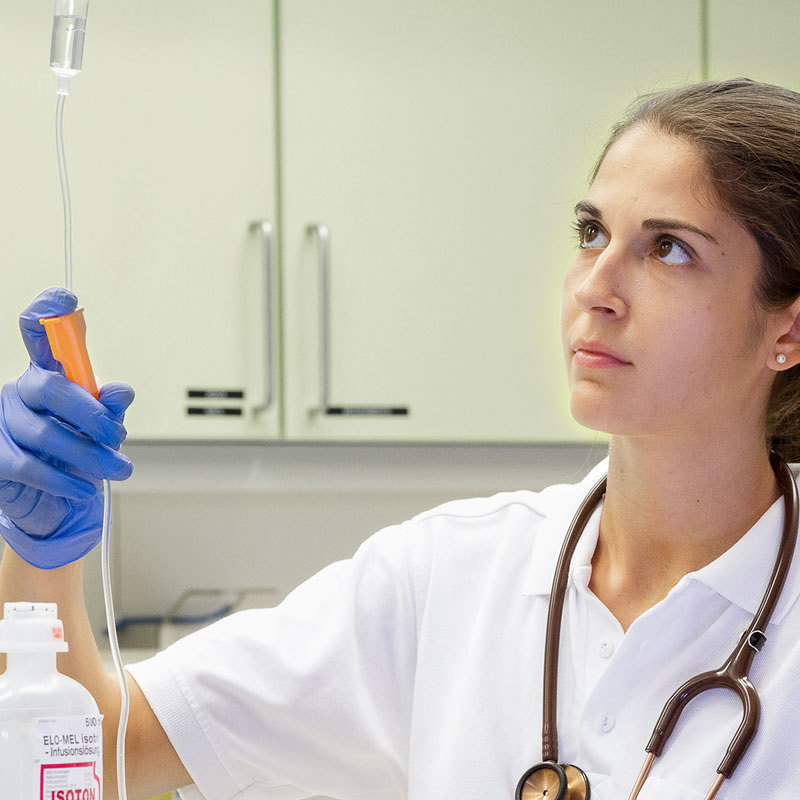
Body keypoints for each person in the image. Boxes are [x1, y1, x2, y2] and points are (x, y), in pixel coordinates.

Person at [2, 76, 800, 800]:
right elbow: (103, 746)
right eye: (592, 233)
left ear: (787, 329)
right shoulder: (447, 579)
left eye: (668, 249)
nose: (596, 287)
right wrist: (39, 558)